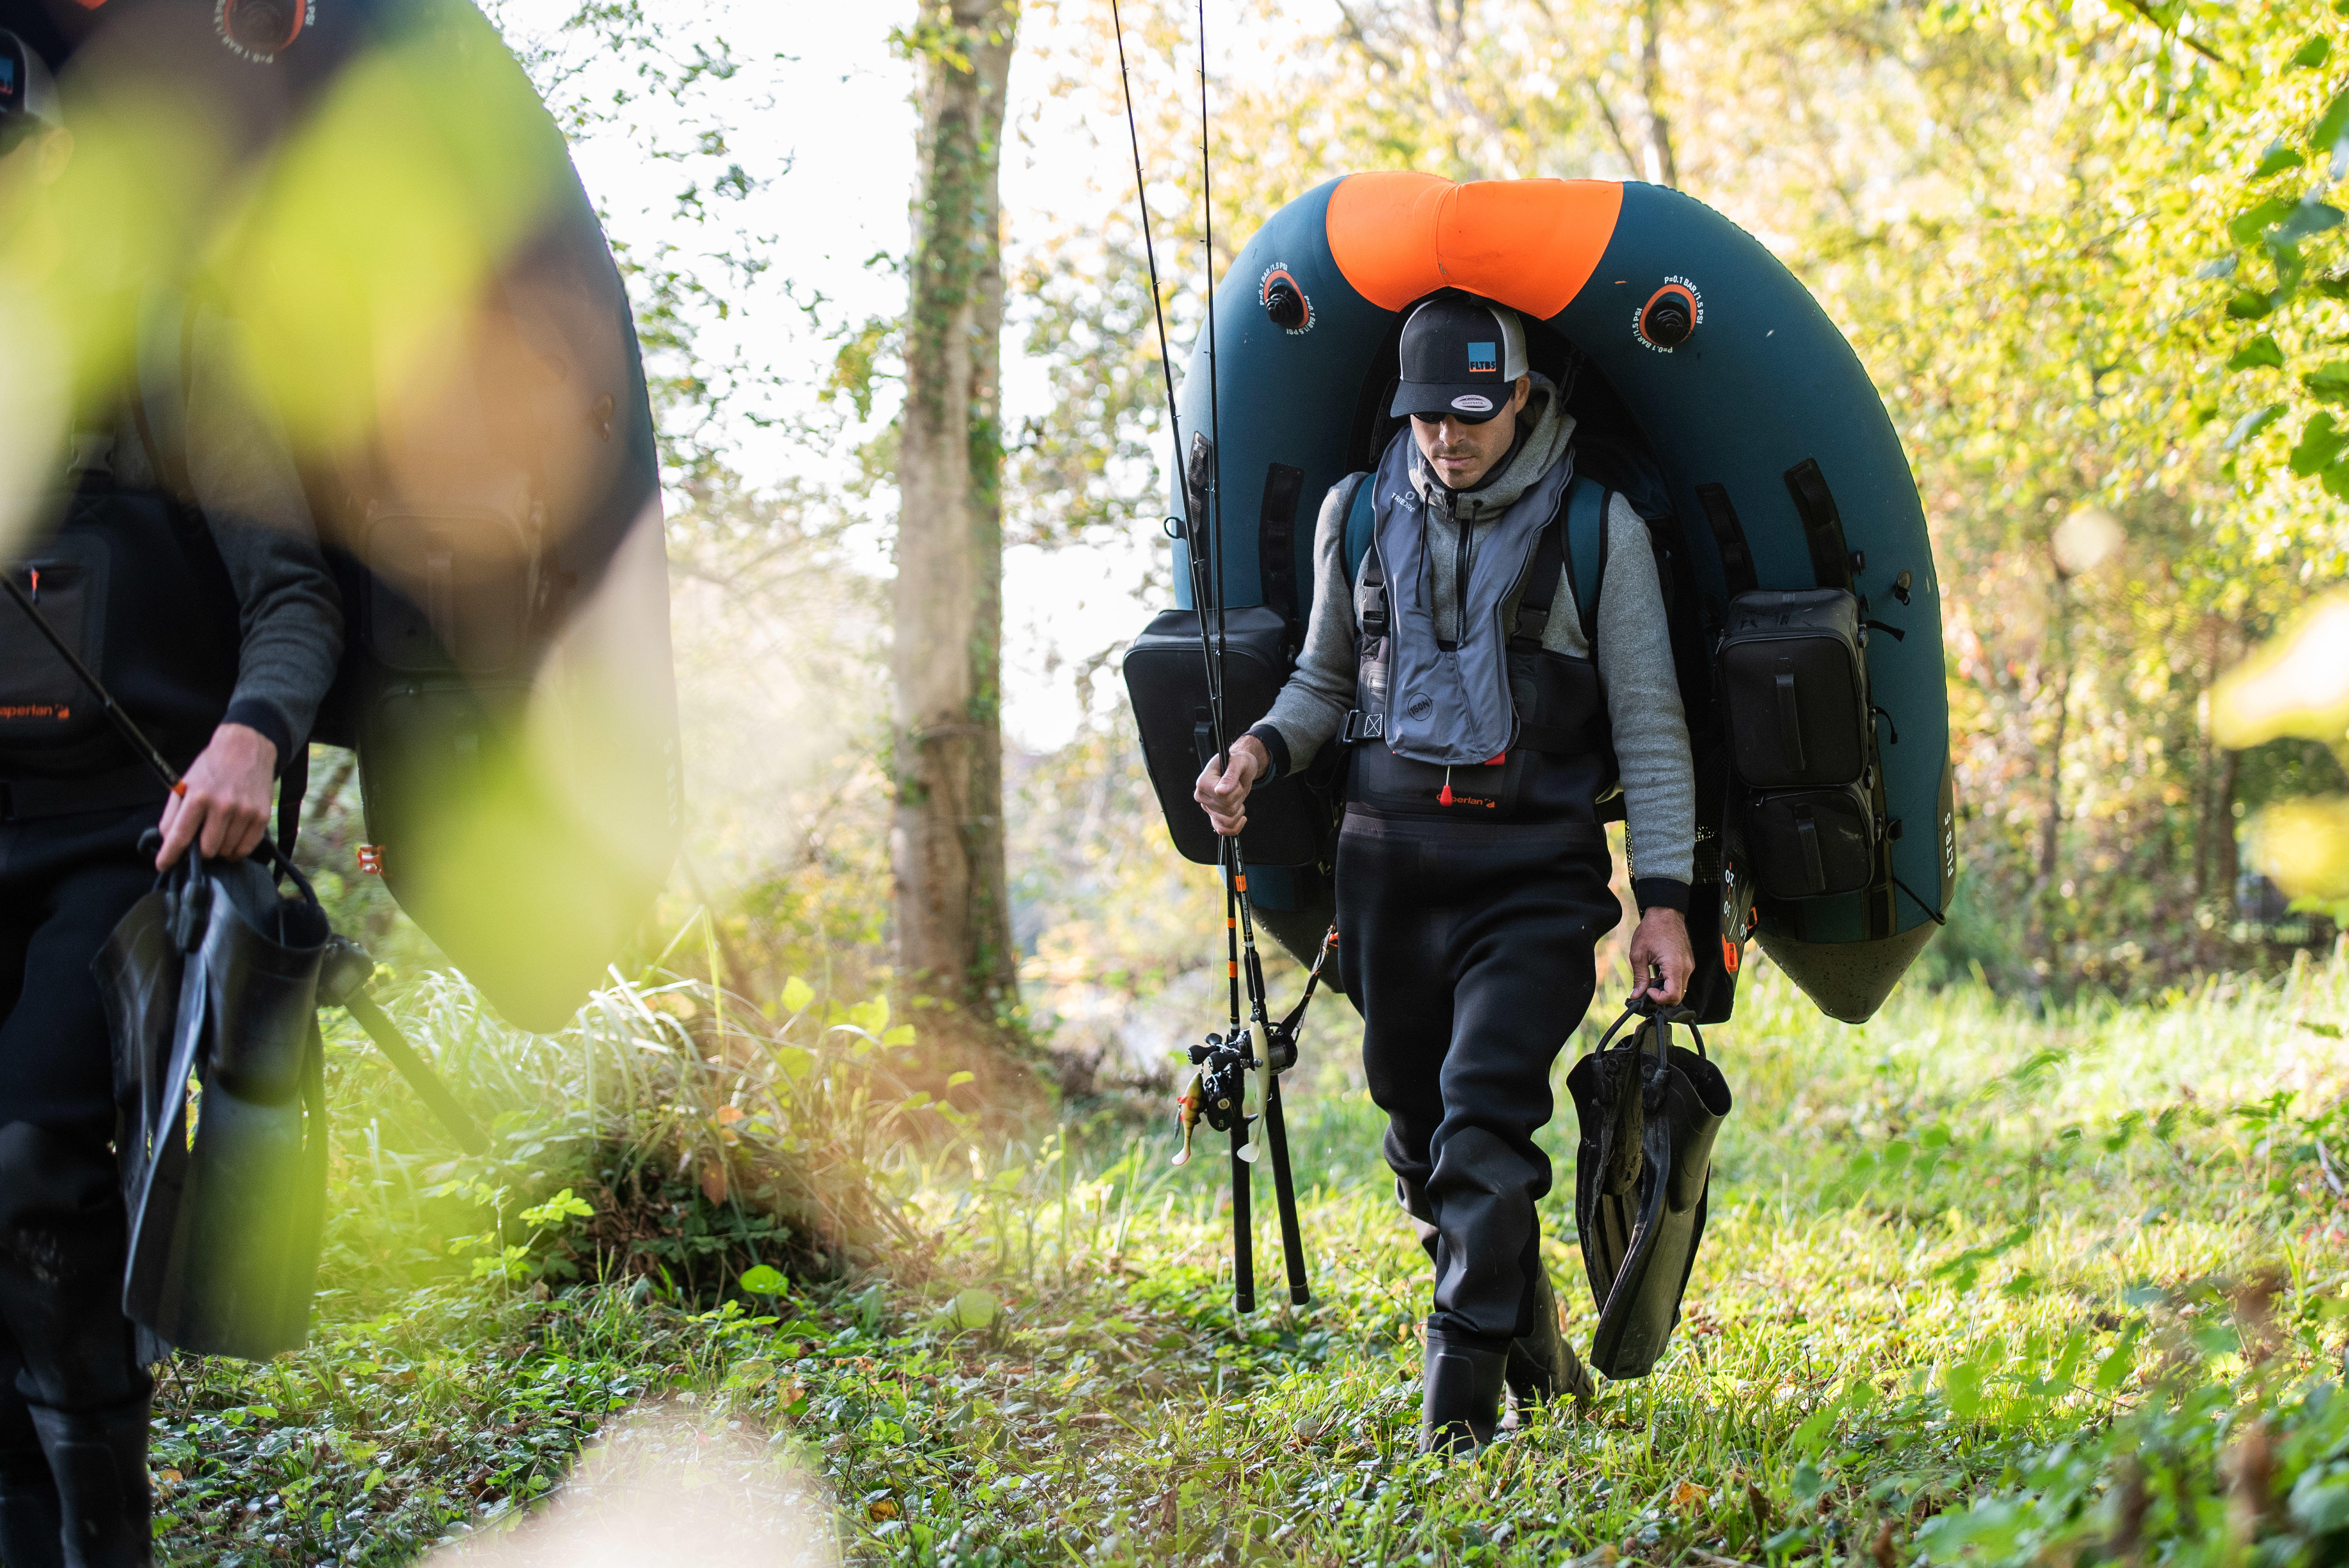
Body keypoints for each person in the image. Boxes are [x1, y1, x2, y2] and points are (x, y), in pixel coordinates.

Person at [1193, 292, 1695, 1454]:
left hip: (1532, 877)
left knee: (1481, 1125)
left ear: (1522, 397)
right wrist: (1257, 753)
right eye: (1425, 417)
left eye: (1471, 414)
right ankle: (1542, 1360)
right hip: (1383, 876)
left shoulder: (1597, 529)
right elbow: (1321, 685)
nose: (1445, 438)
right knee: (1422, 1147)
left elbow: (1651, 723)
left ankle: (1454, 1418)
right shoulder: (1357, 514)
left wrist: (1660, 901)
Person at [0, 32, 342, 1565]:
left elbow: (295, 598)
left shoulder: (172, 343)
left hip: (122, 845)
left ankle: (100, 1538)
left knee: (30, 1177)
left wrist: (253, 737)